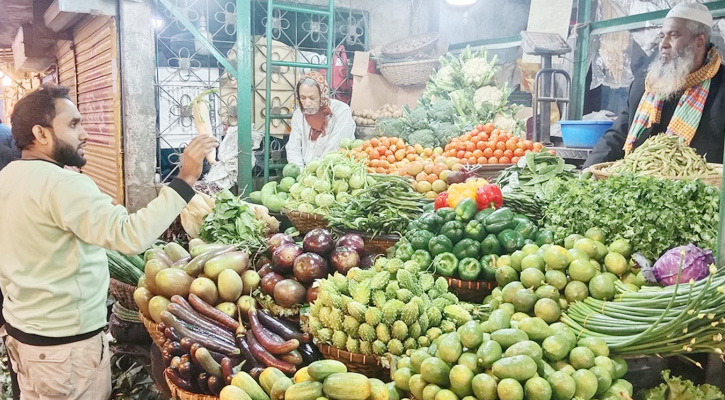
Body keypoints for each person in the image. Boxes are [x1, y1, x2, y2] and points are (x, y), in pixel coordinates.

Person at [0, 84, 217, 399]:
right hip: (66, 350)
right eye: (73, 124)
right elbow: (131, 236)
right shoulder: (64, 185)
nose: (85, 133)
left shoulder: (7, 177)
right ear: (42, 133)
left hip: (25, 338)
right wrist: (185, 179)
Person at [584, 3, 724, 168]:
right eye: (662, 36)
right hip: (642, 183)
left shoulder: (720, 86)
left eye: (674, 35)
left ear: (699, 41)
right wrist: (588, 170)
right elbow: (618, 135)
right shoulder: (647, 83)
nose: (663, 44)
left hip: (701, 186)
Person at [286, 71, 356, 169]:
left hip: (334, 170)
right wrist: (299, 172)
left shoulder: (341, 112)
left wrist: (314, 173)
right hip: (306, 173)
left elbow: (335, 147)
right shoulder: (298, 115)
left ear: (322, 96)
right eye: (303, 98)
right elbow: (293, 148)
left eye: (312, 98)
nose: (307, 103)